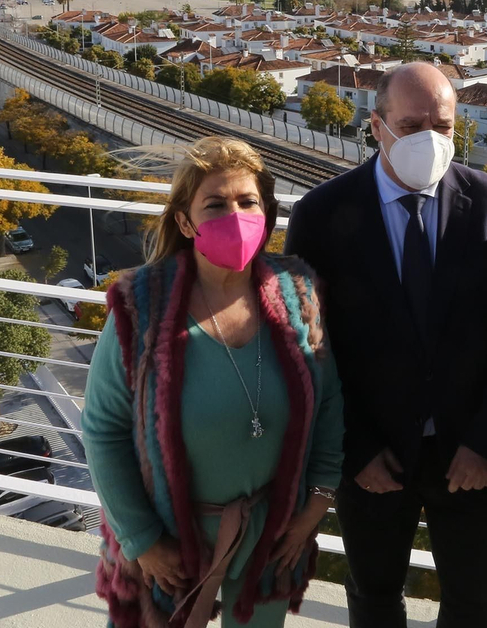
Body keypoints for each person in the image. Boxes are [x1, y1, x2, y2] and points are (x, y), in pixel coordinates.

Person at [284, 62, 487, 628]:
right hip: (373, 457)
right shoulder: (321, 216)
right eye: (411, 123)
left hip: (471, 459)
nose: (429, 138)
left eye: (443, 126)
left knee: (472, 604)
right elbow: (304, 348)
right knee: (374, 597)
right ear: (376, 126)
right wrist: (353, 451)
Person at [81, 137, 344, 628]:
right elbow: (102, 430)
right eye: (216, 205)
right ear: (185, 221)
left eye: (248, 202)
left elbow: (328, 405)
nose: (236, 216)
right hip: (170, 539)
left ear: (266, 213)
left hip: (272, 535)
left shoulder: (298, 298)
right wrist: (142, 541)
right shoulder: (142, 312)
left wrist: (315, 508)